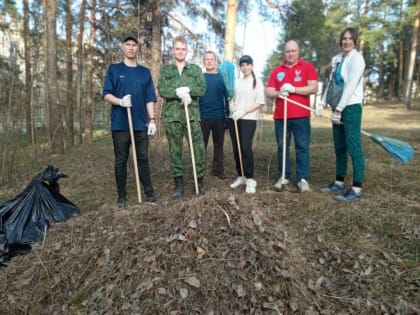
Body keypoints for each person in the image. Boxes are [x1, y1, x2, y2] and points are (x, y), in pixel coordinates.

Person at [102, 34, 163, 207]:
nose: (131, 47)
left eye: (134, 45)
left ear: (137, 48)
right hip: (120, 124)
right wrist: (120, 101)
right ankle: (122, 197)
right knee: (121, 160)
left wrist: (152, 120)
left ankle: (150, 195)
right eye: (127, 44)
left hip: (139, 124)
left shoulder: (144, 72)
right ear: (123, 47)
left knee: (143, 158)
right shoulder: (114, 69)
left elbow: (150, 98)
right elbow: (106, 94)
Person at [157, 36, 207, 200]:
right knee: (175, 151)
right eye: (177, 49)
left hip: (191, 116)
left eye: (183, 49)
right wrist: (177, 92)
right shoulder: (166, 70)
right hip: (173, 117)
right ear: (173, 50)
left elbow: (201, 88)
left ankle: (199, 181)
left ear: (187, 51)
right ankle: (178, 185)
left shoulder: (195, 69)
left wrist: (188, 90)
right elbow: (162, 89)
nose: (180, 51)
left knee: (198, 149)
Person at [265, 40, 318, 192]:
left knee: (302, 147)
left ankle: (302, 179)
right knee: (282, 147)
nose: (290, 54)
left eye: (293, 51)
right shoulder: (277, 70)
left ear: (298, 52)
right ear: (284, 52)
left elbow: (313, 87)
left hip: (301, 115)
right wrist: (279, 93)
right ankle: (284, 176)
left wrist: (294, 89)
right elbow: (269, 92)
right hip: (281, 117)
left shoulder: (307, 67)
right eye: (287, 51)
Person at [320, 27, 366, 202]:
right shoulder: (337, 59)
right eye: (344, 38)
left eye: (350, 38)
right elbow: (332, 83)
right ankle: (339, 182)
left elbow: (351, 86)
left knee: (353, 146)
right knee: (339, 146)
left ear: (355, 41)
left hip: (351, 107)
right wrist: (323, 102)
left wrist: (339, 109)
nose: (346, 41)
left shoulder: (357, 59)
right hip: (337, 108)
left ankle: (356, 188)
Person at [229, 55, 265, 194]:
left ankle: (250, 178)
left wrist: (243, 111)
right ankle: (241, 176)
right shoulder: (236, 82)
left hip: (248, 119)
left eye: (247, 64)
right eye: (242, 65)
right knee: (236, 148)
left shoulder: (257, 82)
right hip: (235, 118)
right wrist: (232, 106)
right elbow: (231, 97)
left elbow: (259, 102)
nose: (245, 67)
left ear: (252, 65)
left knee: (245, 147)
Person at [199, 51, 230, 180]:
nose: (209, 61)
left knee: (218, 145)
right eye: (207, 59)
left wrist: (227, 115)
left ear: (215, 61)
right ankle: (199, 169)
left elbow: (227, 97)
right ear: (204, 61)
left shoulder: (222, 77)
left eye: (212, 59)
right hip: (203, 116)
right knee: (201, 145)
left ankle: (218, 170)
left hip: (219, 116)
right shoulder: (200, 77)